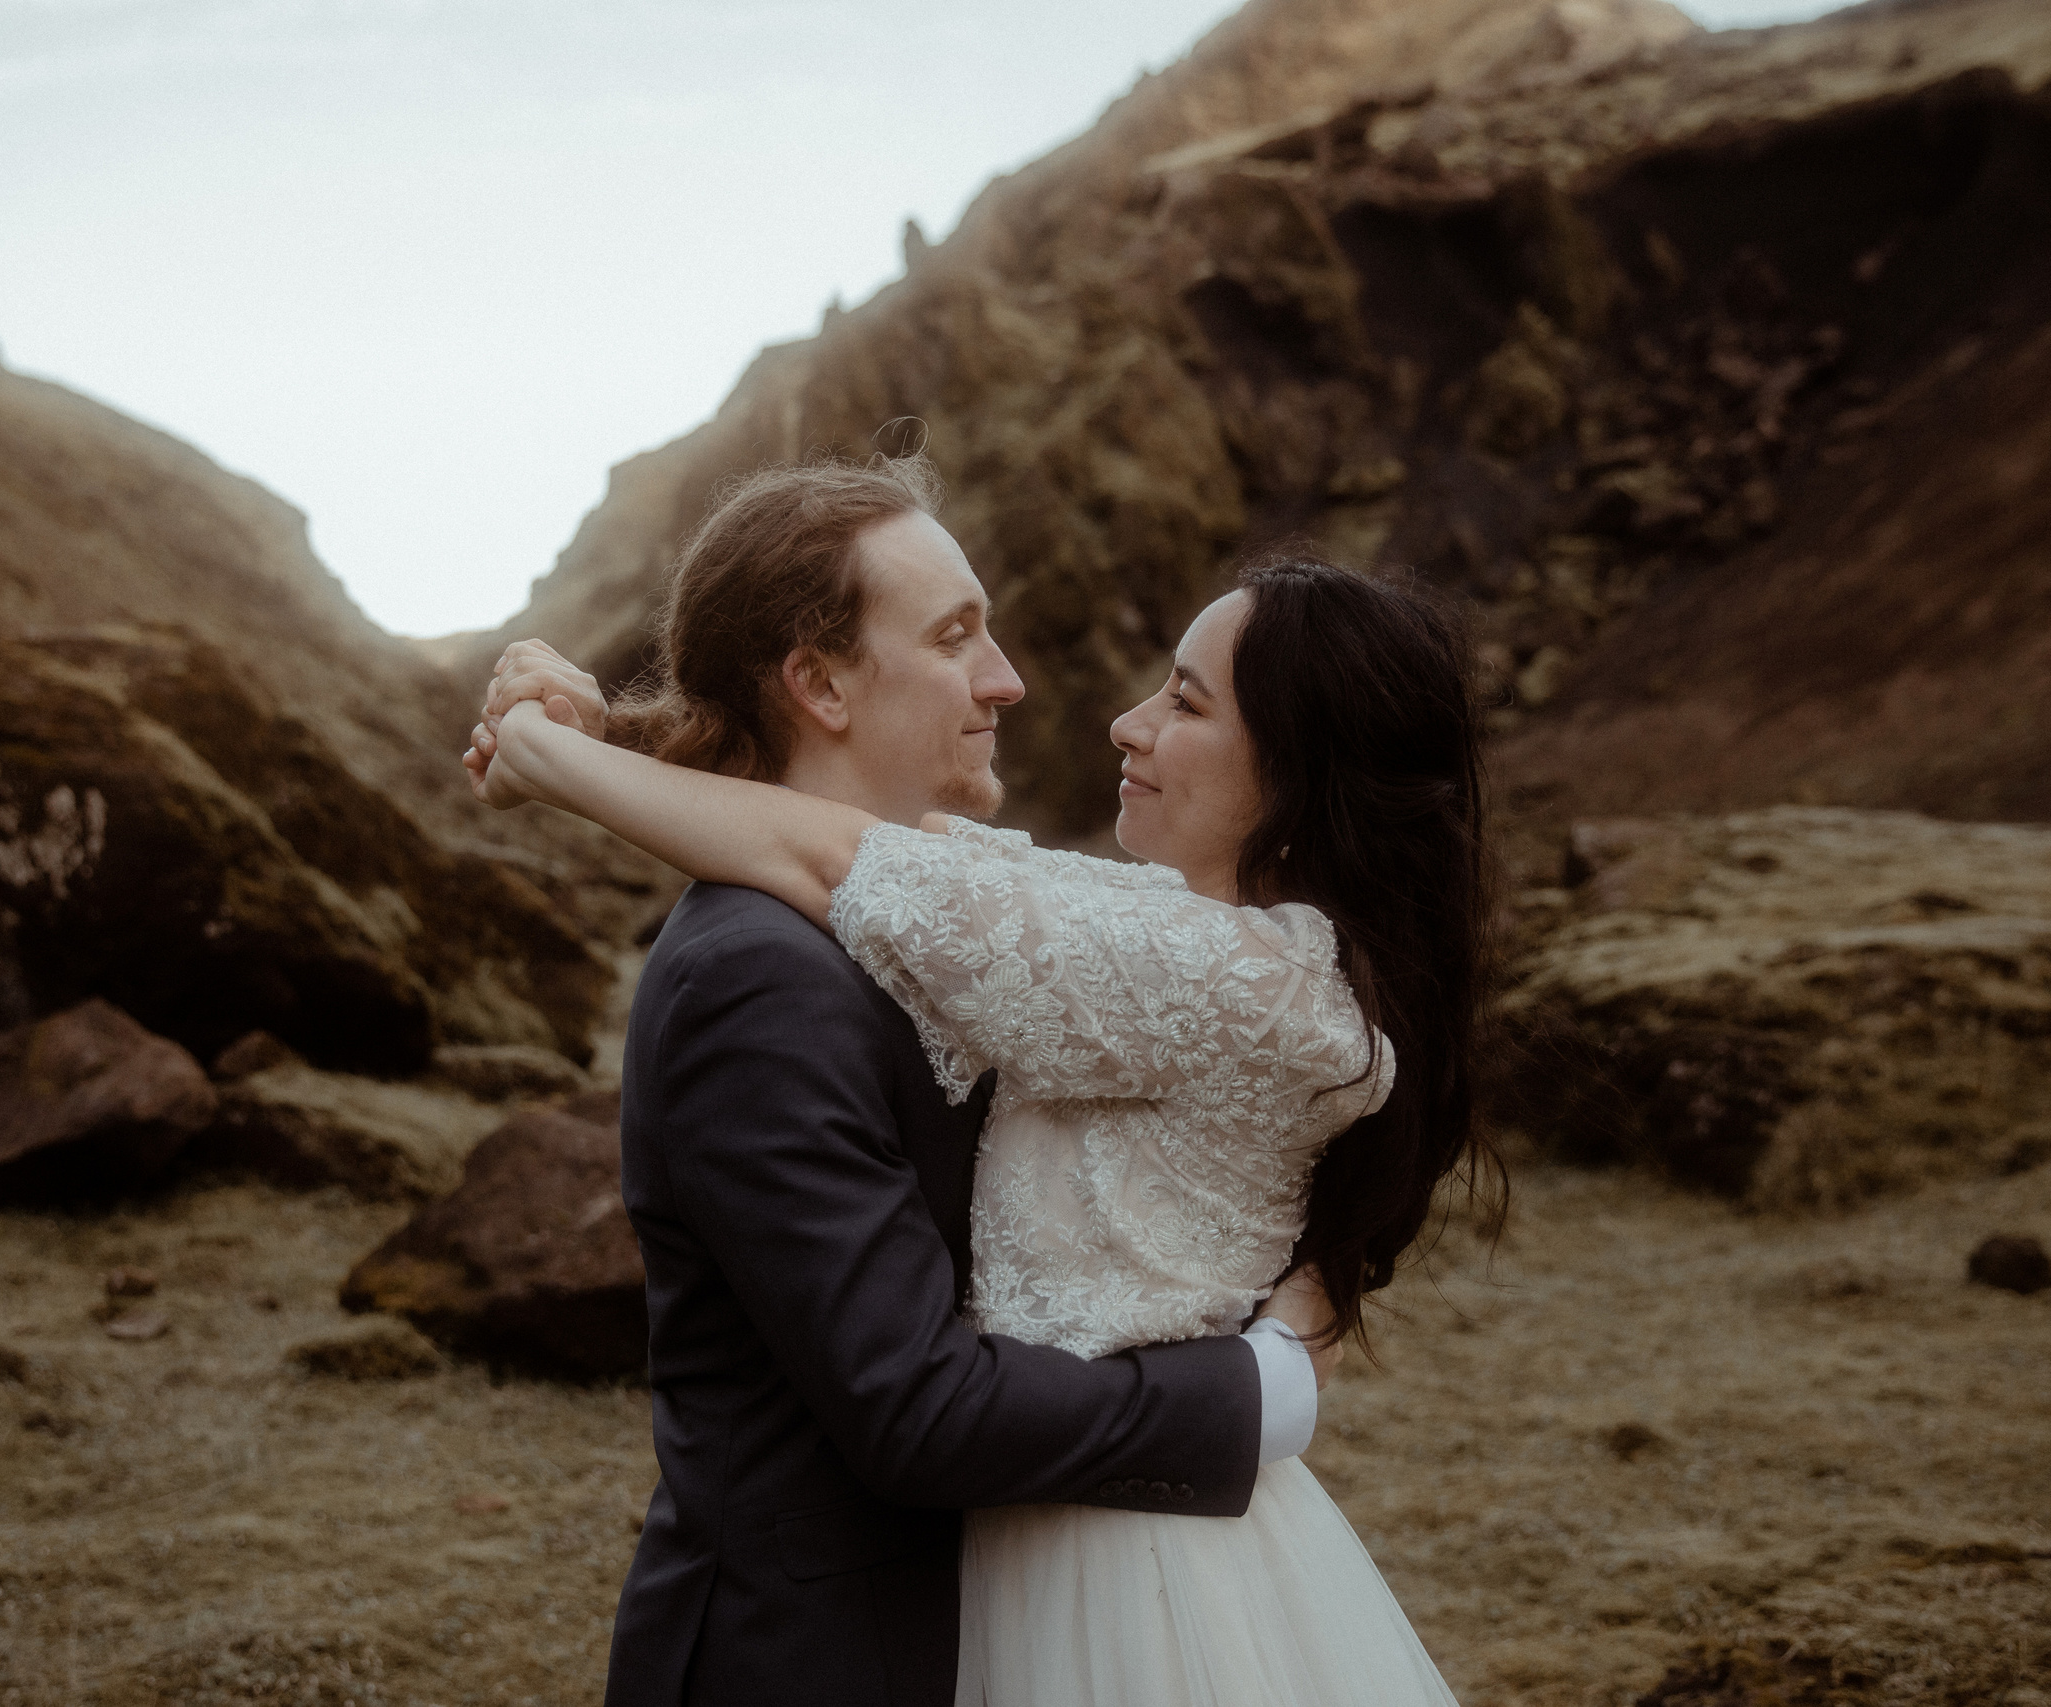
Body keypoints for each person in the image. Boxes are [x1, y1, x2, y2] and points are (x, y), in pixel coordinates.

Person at [472, 454, 1491, 1707]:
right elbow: (913, 1409)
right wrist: (1255, 1392)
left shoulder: (1099, 946)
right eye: (957, 636)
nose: (1012, 680)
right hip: (815, 1658)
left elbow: (852, 854)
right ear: (818, 682)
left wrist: (562, 750)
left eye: (1182, 702)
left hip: (1066, 1585)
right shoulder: (761, 976)